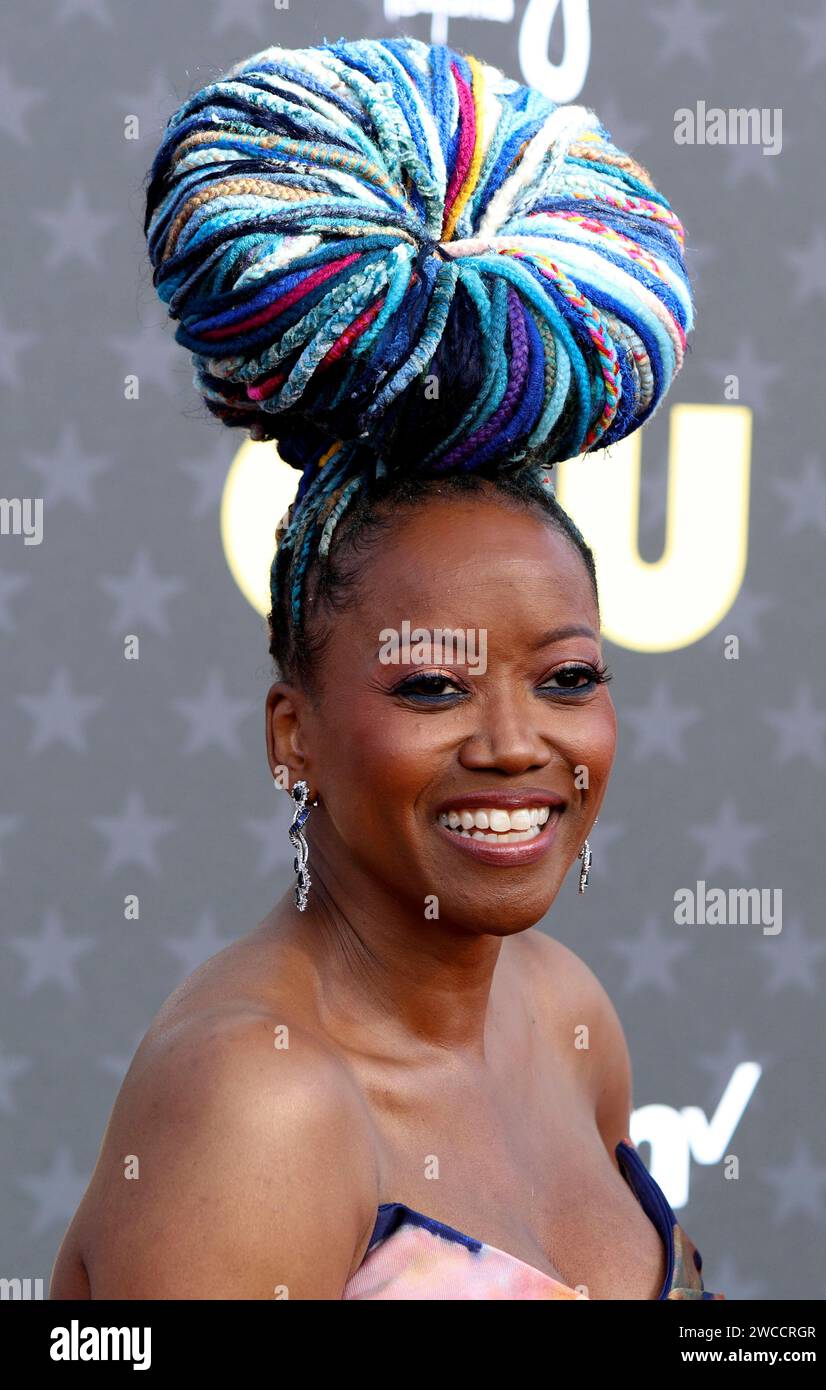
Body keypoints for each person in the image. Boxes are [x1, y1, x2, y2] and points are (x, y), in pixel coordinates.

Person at [50, 35, 724, 1300]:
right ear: (289, 733)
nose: (516, 743)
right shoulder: (261, 1105)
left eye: (566, 676)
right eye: (430, 684)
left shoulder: (563, 1016)